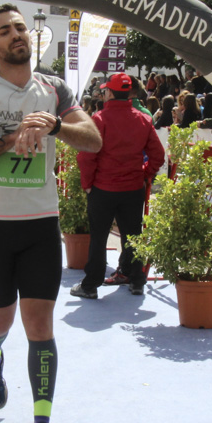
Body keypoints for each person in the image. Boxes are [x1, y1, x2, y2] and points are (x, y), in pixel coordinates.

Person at [0, 3, 101, 423]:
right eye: (5, 30)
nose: (16, 35)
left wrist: (54, 124)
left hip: (40, 225)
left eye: (20, 28)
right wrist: (8, 138)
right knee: (2, 321)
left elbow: (92, 139)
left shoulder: (53, 87)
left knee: (40, 326)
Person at [71, 73, 164, 299]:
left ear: (109, 92)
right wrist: (144, 174)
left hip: (103, 188)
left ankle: (91, 285)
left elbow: (87, 156)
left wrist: (87, 184)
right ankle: (136, 280)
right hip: (132, 187)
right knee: (133, 235)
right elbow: (158, 155)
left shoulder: (100, 118)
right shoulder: (143, 119)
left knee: (99, 236)